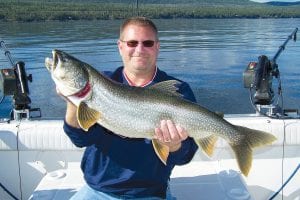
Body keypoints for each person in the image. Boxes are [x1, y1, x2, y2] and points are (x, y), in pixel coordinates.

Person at [61, 17, 198, 200]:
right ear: (120, 46)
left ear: (157, 46)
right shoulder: (103, 83)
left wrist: (174, 145)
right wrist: (73, 101)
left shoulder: (177, 90)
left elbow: (184, 156)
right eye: (132, 43)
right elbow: (81, 138)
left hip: (150, 193)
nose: (139, 50)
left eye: (147, 43)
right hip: (97, 191)